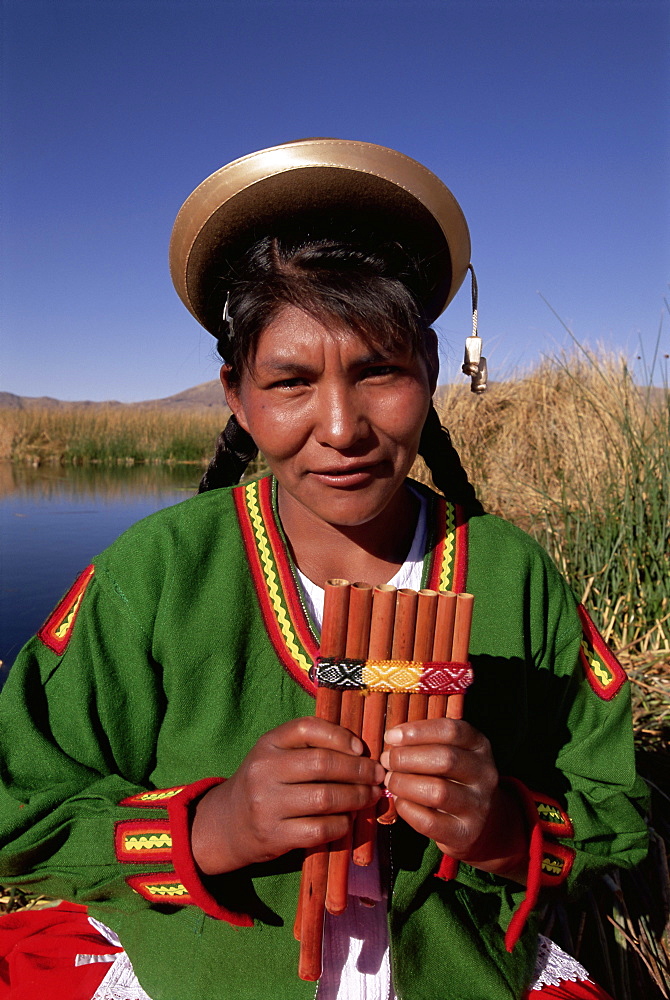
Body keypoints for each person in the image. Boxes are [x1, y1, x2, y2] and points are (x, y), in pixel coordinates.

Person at [0, 139, 648, 1000]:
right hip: (205, 973)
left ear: (427, 368)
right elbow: (23, 807)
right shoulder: (155, 572)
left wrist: (503, 827)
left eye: (379, 370)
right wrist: (211, 829)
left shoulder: (511, 574)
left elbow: (617, 820)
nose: (341, 427)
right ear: (237, 395)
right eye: (291, 383)